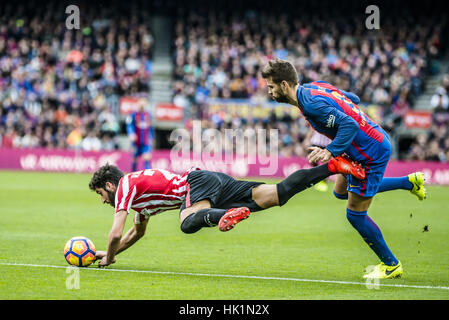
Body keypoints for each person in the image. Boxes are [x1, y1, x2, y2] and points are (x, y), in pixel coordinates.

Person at [261, 58, 427, 279]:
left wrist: (330, 150)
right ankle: (408, 182)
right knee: (340, 192)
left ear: (284, 85)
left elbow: (349, 124)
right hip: (362, 145)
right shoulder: (313, 87)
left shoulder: (311, 104)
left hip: (371, 152)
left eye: (271, 87)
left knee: (355, 215)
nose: (269, 92)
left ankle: (391, 264)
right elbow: (352, 99)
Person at [88, 155, 365, 268]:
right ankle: (333, 167)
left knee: (186, 223)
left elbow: (116, 233)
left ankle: (221, 215)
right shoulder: (139, 195)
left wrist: (108, 258)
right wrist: (107, 254)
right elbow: (137, 231)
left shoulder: (124, 186)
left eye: (101, 194)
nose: (103, 201)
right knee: (275, 195)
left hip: (196, 183)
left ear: (109, 185)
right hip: (213, 182)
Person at [126, 98, 154, 171]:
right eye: (140, 104)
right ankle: (132, 174)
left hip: (145, 141)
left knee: (147, 158)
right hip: (136, 142)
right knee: (135, 159)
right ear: (138, 104)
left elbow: (151, 127)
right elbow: (129, 125)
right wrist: (131, 133)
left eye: (143, 105)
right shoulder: (133, 114)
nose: (142, 106)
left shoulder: (148, 115)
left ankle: (148, 175)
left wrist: (151, 137)